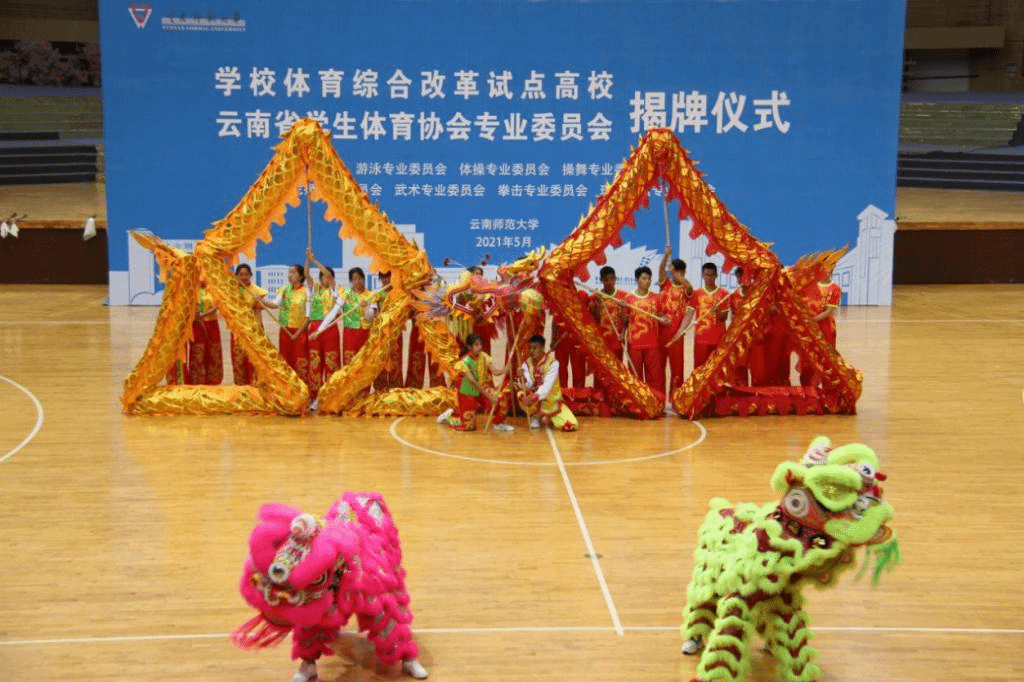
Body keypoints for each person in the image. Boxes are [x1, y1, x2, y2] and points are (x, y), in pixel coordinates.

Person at [231, 495, 428, 681]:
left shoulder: (351, 566)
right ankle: (308, 664)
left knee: (383, 611)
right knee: (311, 623)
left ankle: (408, 658)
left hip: (360, 575)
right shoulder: (294, 561)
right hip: (324, 584)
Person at [436, 333, 513, 432]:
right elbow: (474, 383)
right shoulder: (465, 361)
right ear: (469, 347)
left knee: (501, 398)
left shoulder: (484, 356)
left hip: (482, 388)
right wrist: (490, 397)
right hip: (468, 392)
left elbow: (495, 372)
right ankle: (450, 415)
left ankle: (498, 423)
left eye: (480, 344)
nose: (480, 347)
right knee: (468, 426)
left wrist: (506, 368)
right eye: (476, 345)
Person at [518, 334, 578, 431]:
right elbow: (528, 385)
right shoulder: (526, 364)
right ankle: (536, 415)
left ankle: (546, 417)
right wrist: (522, 378)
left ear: (542, 348)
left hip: (551, 400)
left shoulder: (553, 363)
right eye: (530, 348)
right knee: (521, 394)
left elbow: (547, 386)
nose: (531, 351)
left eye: (535, 348)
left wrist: (533, 397)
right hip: (535, 401)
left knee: (571, 424)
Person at [623, 266, 667, 394]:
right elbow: (625, 321)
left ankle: (655, 400)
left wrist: (665, 320)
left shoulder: (656, 298)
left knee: (654, 376)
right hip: (634, 343)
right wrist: (621, 310)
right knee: (635, 376)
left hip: (652, 343)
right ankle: (637, 401)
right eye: (644, 278)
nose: (647, 281)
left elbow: (662, 316)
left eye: (649, 278)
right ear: (637, 280)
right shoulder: (628, 298)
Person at [320, 267, 375, 366]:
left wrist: (367, 307)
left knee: (365, 365)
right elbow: (333, 312)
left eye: (360, 278)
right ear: (351, 281)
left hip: (365, 334)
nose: (358, 281)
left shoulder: (371, 295)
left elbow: (370, 318)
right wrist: (320, 329)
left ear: (363, 279)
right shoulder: (345, 294)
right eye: (354, 279)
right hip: (350, 335)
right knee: (350, 365)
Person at [305, 252, 341, 404]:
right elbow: (306, 274)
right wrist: (308, 260)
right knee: (315, 362)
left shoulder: (334, 289)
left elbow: (330, 276)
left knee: (331, 362)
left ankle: (331, 396)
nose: (325, 278)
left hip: (330, 328)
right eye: (322, 276)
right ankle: (315, 397)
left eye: (327, 276)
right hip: (314, 328)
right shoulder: (314, 288)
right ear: (320, 278)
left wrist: (315, 260)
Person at [588, 266, 629, 395]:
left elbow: (626, 321)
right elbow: (593, 320)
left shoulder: (622, 296)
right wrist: (595, 306)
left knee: (616, 372)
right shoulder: (595, 297)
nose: (610, 282)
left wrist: (623, 334)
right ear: (601, 280)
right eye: (606, 279)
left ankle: (616, 397)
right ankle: (600, 397)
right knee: (600, 372)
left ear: (615, 279)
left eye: (612, 279)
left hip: (616, 341)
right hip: (601, 342)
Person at [659, 249, 694, 395]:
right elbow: (661, 270)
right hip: (660, 333)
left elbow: (689, 287)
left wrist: (675, 273)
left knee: (677, 369)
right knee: (659, 369)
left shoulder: (687, 289)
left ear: (684, 273)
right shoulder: (665, 284)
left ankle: (676, 399)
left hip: (677, 336)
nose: (676, 275)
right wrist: (666, 256)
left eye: (680, 272)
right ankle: (659, 399)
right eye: (674, 271)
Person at [683, 263, 730, 371]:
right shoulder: (696, 294)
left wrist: (717, 311)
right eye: (707, 275)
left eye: (712, 275)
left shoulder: (723, 294)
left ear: (716, 275)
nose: (709, 278)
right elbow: (688, 315)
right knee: (700, 370)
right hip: (701, 340)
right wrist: (681, 330)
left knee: (717, 371)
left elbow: (724, 317)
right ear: (702, 275)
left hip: (718, 340)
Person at [799, 268, 842, 386]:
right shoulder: (811, 286)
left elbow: (828, 311)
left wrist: (813, 320)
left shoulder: (835, 288)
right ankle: (808, 386)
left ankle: (827, 386)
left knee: (825, 356)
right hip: (809, 326)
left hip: (825, 327)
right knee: (809, 355)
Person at [269, 264, 309, 385]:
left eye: (293, 272)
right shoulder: (285, 289)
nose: (290, 275)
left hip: (299, 333)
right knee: (285, 360)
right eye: (289, 272)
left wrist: (297, 334)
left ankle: (302, 388)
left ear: (301, 276)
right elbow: (275, 304)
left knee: (300, 361)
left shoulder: (306, 292)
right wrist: (261, 300)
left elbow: (308, 317)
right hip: (285, 331)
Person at [231, 264, 269, 386]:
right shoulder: (231, 290)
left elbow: (258, 313)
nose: (244, 277)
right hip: (237, 329)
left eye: (246, 274)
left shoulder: (256, 291)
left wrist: (259, 330)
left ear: (251, 275)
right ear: (236, 276)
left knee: (253, 360)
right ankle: (241, 388)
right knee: (238, 360)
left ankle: (254, 388)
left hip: (252, 329)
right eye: (241, 274)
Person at [550, 287, 590, 390]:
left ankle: (579, 395)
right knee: (561, 370)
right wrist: (553, 339)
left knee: (579, 371)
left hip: (578, 342)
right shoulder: (558, 296)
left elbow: (589, 319)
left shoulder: (583, 296)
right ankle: (562, 394)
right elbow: (554, 320)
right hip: (561, 340)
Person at [372, 271, 404, 391]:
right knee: (381, 359)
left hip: (396, 332)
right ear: (380, 279)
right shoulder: (377, 294)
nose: (386, 280)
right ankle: (380, 388)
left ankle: (396, 388)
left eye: (388, 277)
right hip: (381, 333)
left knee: (395, 359)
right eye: (383, 278)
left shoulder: (399, 293)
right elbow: (372, 313)